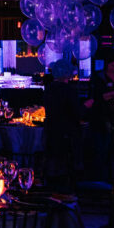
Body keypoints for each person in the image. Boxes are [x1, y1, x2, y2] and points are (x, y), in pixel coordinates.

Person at [84, 51, 114, 179]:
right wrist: (107, 96)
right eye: (113, 67)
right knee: (101, 151)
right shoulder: (97, 77)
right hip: (101, 120)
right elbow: (92, 99)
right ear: (107, 65)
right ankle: (101, 179)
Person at [43, 59, 83, 192]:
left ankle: (53, 191)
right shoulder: (69, 90)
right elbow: (76, 112)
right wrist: (87, 107)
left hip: (52, 131)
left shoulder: (48, 88)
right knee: (67, 164)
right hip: (67, 132)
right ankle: (66, 193)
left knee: (54, 161)